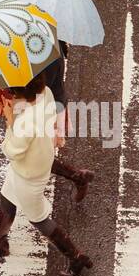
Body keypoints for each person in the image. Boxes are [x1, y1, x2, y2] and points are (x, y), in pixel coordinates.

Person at [0, 71, 93, 276]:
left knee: (39, 219)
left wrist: (9, 120)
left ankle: (76, 257)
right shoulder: (46, 93)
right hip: (40, 154)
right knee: (7, 197)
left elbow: (11, 150)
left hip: (28, 174)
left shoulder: (25, 122)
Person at [38, 43, 94, 204]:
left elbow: (37, 91)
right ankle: (77, 176)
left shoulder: (45, 59)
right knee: (35, 153)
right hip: (51, 105)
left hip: (45, 112)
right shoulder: (52, 46)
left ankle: (77, 176)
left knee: (34, 153)